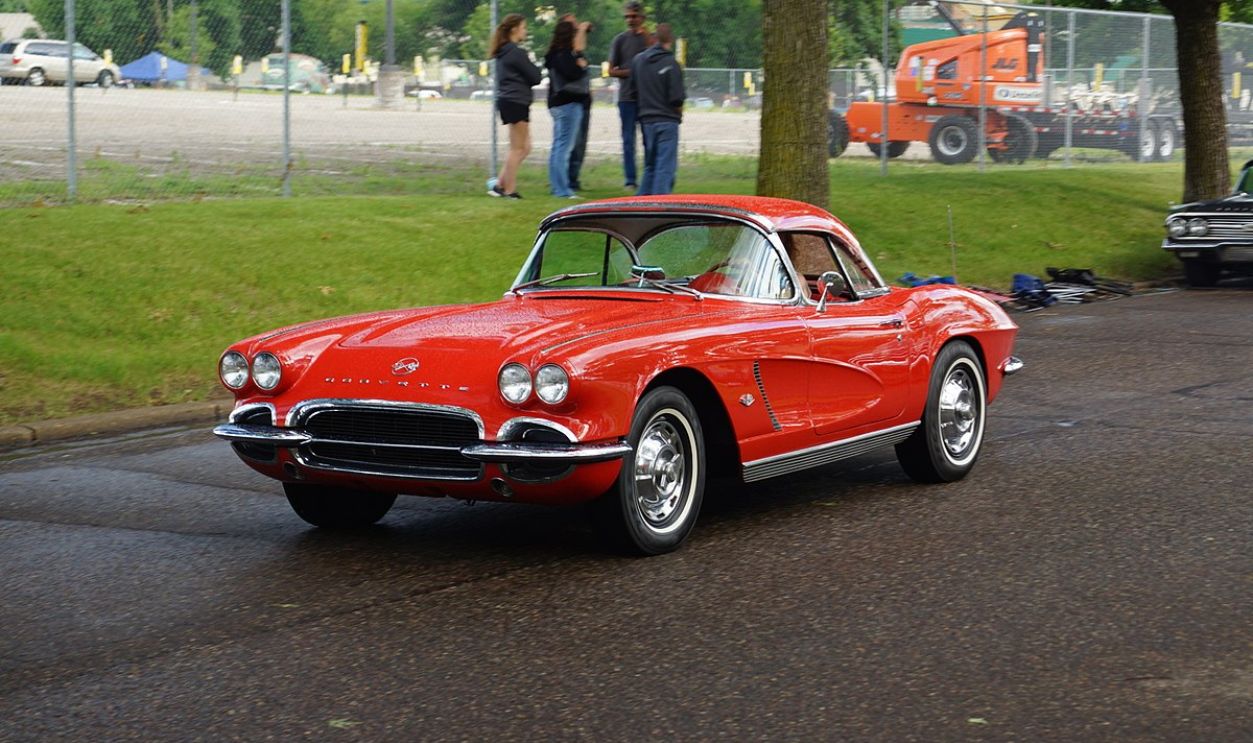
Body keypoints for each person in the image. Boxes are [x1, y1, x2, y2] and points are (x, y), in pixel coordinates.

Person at [488, 13, 543, 199]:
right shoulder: (516, 53)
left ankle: (499, 184)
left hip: (509, 101)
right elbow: (536, 77)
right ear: (514, 29)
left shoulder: (503, 52)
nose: (525, 31)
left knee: (525, 147)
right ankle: (510, 191)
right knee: (517, 148)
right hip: (516, 101)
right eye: (523, 27)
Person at [631, 23, 684, 196]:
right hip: (667, 119)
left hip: (646, 119)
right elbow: (676, 97)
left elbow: (633, 90)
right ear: (670, 39)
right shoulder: (671, 63)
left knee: (650, 166)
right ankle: (660, 204)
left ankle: (640, 204)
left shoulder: (638, 61)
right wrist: (679, 113)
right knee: (664, 167)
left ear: (654, 38)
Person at [544, 19, 591, 198]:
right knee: (564, 147)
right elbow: (573, 73)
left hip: (559, 104)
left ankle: (557, 186)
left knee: (559, 146)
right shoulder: (563, 55)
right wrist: (581, 64)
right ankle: (562, 190)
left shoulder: (555, 54)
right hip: (568, 104)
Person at [608, 1, 651, 190]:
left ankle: (650, 177)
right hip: (626, 98)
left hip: (648, 98)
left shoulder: (650, 40)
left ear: (642, 17)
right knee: (628, 141)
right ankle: (630, 180)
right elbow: (611, 70)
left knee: (649, 140)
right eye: (627, 16)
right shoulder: (620, 40)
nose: (630, 20)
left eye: (634, 16)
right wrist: (632, 71)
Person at [560, 12, 592, 192]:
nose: (576, 27)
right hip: (570, 100)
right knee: (569, 142)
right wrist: (581, 29)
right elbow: (578, 50)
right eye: (571, 25)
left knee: (580, 142)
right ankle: (565, 180)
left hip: (583, 98)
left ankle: (573, 177)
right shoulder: (564, 48)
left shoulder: (576, 47)